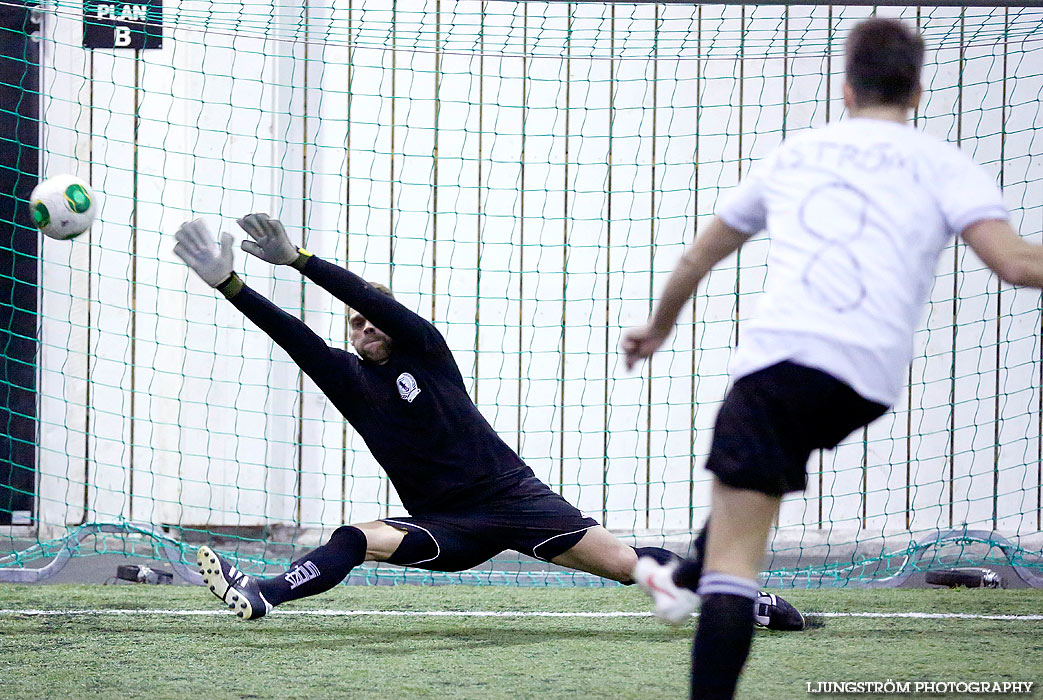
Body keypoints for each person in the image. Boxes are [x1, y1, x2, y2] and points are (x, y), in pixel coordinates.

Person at [623, 17, 1043, 700]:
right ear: (915, 89)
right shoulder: (945, 164)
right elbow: (1016, 264)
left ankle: (698, 586)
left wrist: (656, 328)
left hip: (778, 367)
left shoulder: (796, 154)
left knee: (738, 555)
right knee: (751, 486)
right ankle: (679, 579)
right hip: (864, 385)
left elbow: (697, 258)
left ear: (844, 87)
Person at [173, 212, 805, 626]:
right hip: (446, 524)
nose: (363, 326)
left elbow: (369, 299)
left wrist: (302, 261)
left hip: (515, 499)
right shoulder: (349, 380)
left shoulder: (426, 351)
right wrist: (229, 282)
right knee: (355, 537)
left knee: (624, 564)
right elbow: (292, 336)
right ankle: (262, 593)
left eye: (372, 319)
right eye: (356, 325)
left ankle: (741, 599)